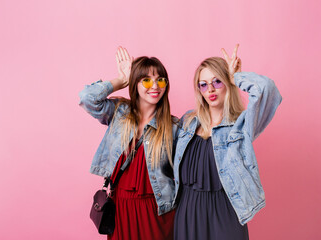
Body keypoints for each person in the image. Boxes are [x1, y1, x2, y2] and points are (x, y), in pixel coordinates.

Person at [173, 44, 282, 240]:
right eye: (203, 84)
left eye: (217, 81)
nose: (210, 89)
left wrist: (236, 78)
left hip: (225, 213)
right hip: (187, 212)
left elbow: (268, 90)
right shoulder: (187, 122)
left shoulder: (241, 125)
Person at [79, 47, 178, 240]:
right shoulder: (119, 112)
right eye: (147, 80)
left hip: (157, 211)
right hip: (121, 207)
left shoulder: (173, 127)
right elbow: (87, 98)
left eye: (160, 80)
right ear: (135, 83)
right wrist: (121, 80)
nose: (155, 86)